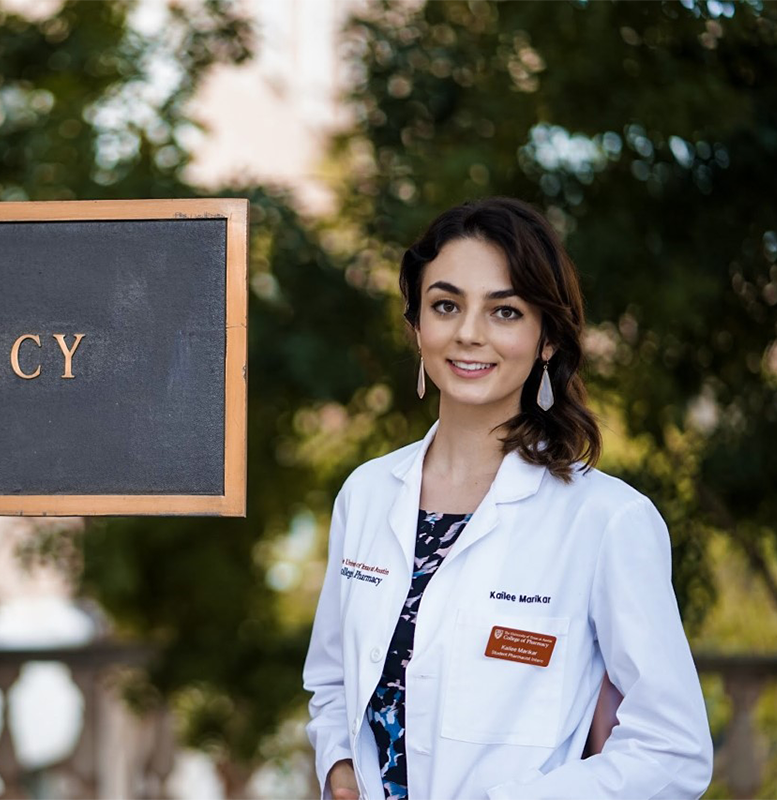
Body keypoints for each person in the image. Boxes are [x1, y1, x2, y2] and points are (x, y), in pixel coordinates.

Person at [302, 197, 713, 799]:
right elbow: (333, 681)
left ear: (547, 338)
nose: (469, 333)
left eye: (505, 311)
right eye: (446, 306)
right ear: (417, 325)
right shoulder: (365, 495)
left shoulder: (606, 521)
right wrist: (339, 768)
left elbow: (672, 751)